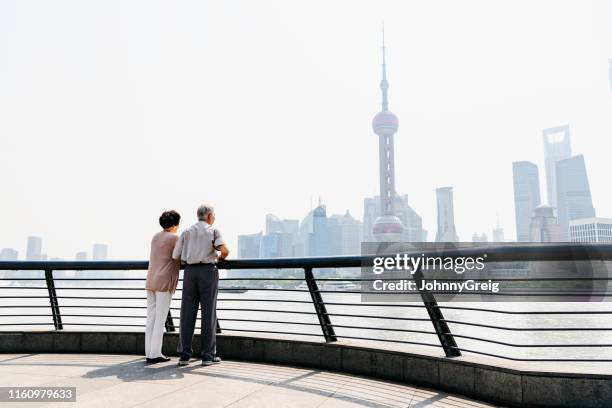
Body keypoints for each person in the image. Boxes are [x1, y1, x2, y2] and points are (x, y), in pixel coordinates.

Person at [173, 204, 229, 366]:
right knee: (208, 314)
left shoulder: (186, 232)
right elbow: (225, 251)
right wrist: (219, 258)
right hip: (207, 272)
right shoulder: (213, 231)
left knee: (187, 313)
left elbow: (176, 255)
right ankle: (208, 356)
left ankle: (184, 355)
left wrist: (188, 259)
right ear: (210, 216)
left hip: (190, 272)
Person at [144, 210, 181, 364]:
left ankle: (149, 352)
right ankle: (155, 354)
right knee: (161, 318)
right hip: (164, 281)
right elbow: (179, 256)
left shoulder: (155, 236)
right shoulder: (175, 238)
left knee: (151, 317)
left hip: (151, 279)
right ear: (175, 224)